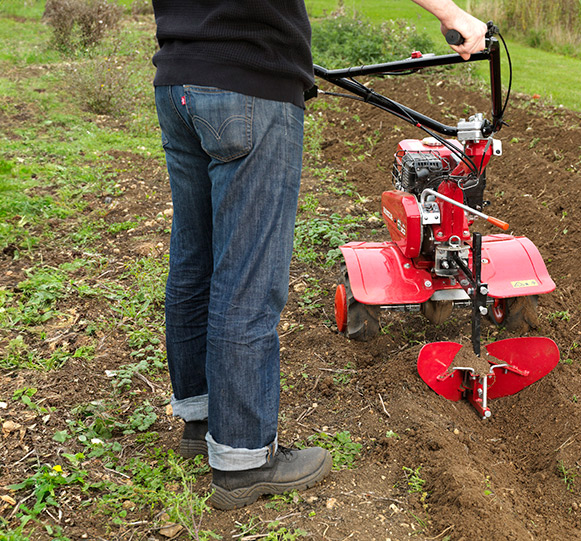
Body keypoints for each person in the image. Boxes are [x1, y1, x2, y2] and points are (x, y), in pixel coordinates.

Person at [151, 0, 487, 510]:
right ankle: (243, 459)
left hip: (178, 82)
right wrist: (452, 14)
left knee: (195, 262)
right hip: (249, 84)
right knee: (247, 278)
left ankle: (202, 421)